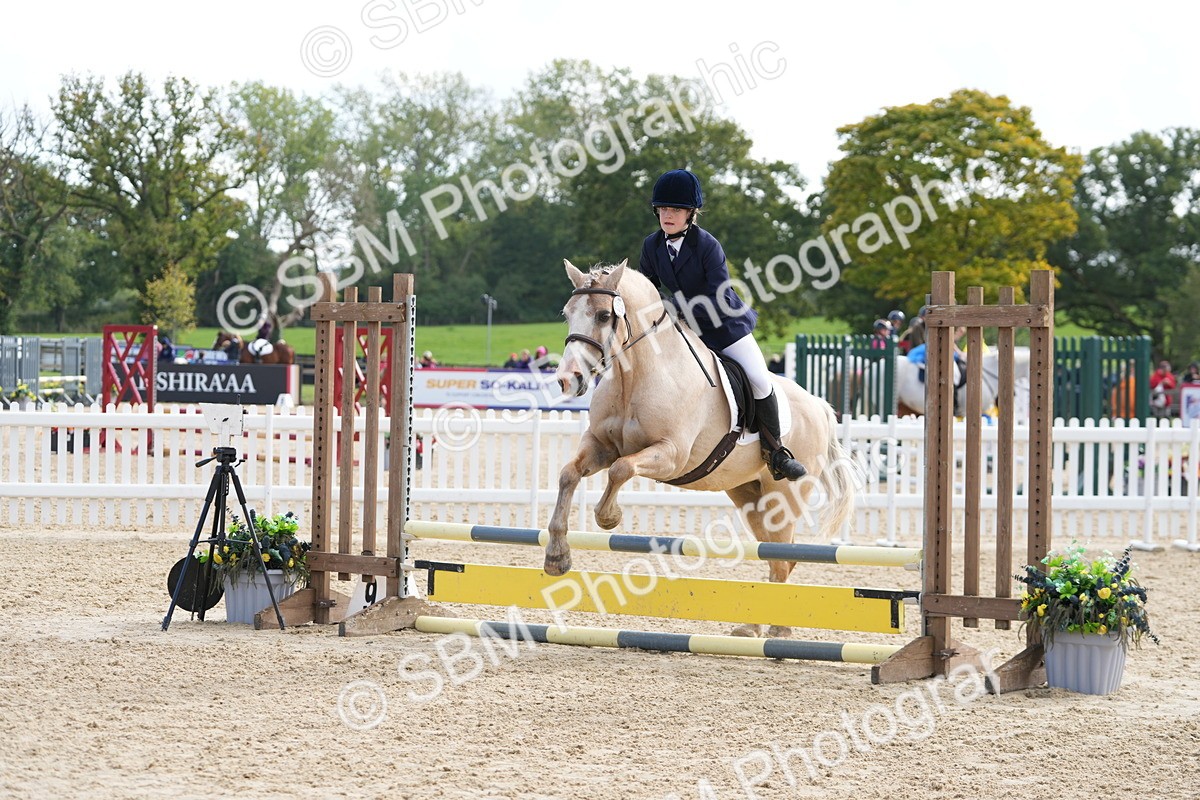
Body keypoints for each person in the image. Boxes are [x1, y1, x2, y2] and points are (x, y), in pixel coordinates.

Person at [638, 168, 805, 480]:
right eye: (662, 209)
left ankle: (776, 451)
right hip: (685, 330)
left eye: (675, 209)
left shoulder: (707, 245)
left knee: (757, 377)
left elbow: (716, 295)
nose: (667, 216)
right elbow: (648, 290)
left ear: (690, 213)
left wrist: (674, 309)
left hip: (723, 324)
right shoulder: (652, 246)